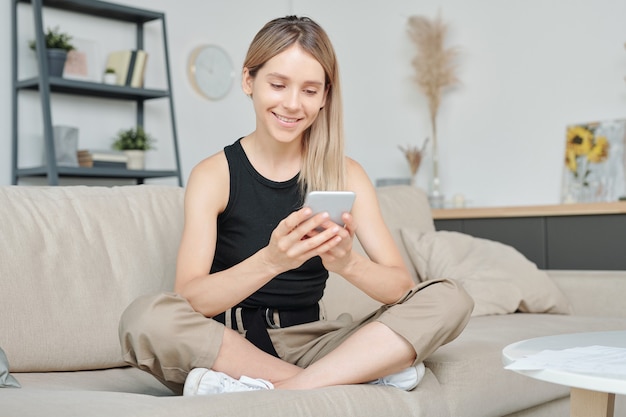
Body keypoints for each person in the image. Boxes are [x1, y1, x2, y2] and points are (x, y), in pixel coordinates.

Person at [119, 15, 473, 396]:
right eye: (278, 84)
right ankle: (351, 377)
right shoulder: (214, 175)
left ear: (324, 98)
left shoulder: (347, 174)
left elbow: (400, 288)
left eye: (309, 90)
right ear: (248, 81)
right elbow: (190, 299)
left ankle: (272, 389)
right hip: (229, 346)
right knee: (145, 318)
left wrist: (347, 263)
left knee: (450, 296)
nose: (292, 104)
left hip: (317, 343)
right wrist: (272, 261)